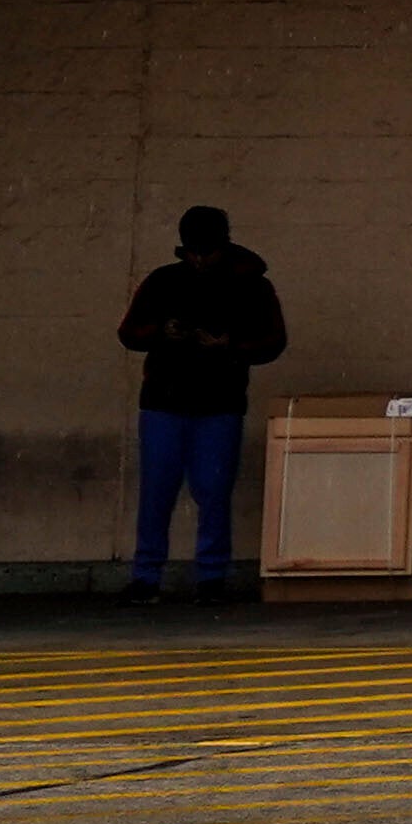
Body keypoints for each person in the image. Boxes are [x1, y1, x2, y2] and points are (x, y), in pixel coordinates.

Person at [115, 206, 286, 604]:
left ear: (220, 247)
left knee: (200, 492)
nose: (198, 259)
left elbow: (274, 341)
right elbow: (129, 332)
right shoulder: (245, 283)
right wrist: (226, 346)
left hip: (192, 401)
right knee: (178, 493)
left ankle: (170, 577)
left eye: (204, 252)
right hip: (199, 400)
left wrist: (215, 342)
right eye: (193, 252)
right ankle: (194, 577)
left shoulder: (241, 285)